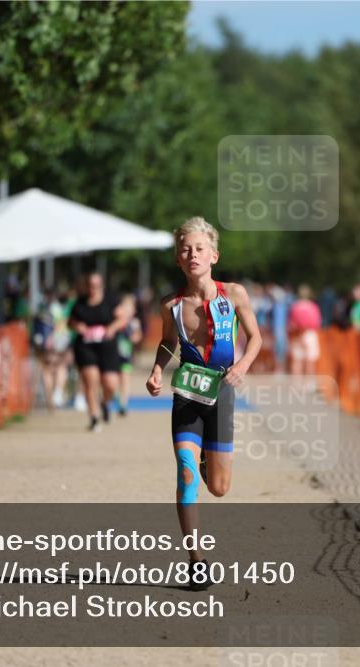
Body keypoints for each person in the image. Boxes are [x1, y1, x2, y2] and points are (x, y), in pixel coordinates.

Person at [145, 216, 261, 590]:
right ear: (178, 260)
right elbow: (167, 344)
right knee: (184, 471)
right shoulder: (171, 305)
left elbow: (256, 337)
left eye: (198, 249)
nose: (192, 254)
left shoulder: (234, 294)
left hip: (222, 391)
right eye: (185, 250)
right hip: (188, 395)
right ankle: (197, 562)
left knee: (220, 488)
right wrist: (157, 371)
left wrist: (242, 365)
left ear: (214, 255)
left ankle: (210, 459)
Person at [69, 272, 128, 432]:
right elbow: (71, 321)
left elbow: (123, 319)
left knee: (110, 384)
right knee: (90, 380)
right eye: (90, 285)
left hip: (107, 346)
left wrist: (112, 328)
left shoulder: (111, 300)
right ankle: (94, 417)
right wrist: (78, 326)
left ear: (101, 286)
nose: (92, 289)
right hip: (86, 346)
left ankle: (105, 403)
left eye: (96, 286)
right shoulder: (80, 303)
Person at [115, 293, 143, 416]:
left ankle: (123, 404)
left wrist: (133, 337)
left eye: (130, 308)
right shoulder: (115, 321)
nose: (127, 311)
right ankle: (115, 397)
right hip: (113, 355)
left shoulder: (134, 322)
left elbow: (138, 336)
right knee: (114, 380)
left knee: (125, 379)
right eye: (125, 307)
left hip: (126, 355)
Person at [288, 284, 322, 376]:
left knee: (297, 361)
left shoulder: (295, 306)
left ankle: (296, 386)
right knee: (310, 362)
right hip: (309, 334)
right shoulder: (313, 307)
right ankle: (309, 385)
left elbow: (291, 323)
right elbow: (317, 323)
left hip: (297, 334)